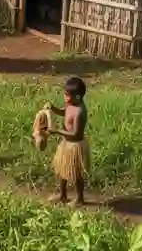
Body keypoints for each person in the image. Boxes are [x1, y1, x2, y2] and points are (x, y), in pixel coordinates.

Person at [46, 76, 91, 206]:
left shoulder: (79, 111)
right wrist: (53, 109)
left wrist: (57, 131)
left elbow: (75, 133)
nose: (64, 97)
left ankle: (80, 198)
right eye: (64, 94)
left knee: (77, 175)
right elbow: (63, 112)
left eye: (67, 95)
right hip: (66, 144)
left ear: (77, 97)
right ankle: (62, 195)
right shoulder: (71, 105)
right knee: (62, 171)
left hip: (76, 146)